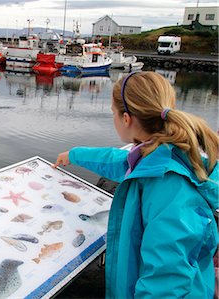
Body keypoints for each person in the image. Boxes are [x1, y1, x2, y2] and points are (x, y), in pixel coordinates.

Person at [54, 71, 218, 298]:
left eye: (113, 112)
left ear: (126, 118)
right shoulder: (161, 154)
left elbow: (166, 283)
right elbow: (117, 161)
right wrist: (74, 155)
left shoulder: (167, 186)